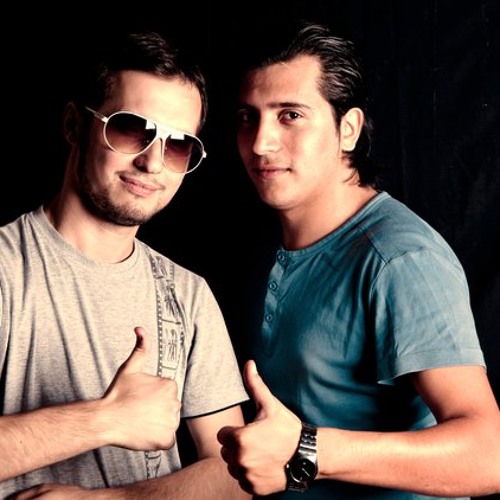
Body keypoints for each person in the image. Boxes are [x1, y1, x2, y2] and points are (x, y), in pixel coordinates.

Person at [217, 20, 500, 499]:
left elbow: (489, 454)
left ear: (347, 130)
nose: (261, 143)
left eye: (290, 115)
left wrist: (307, 449)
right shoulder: (270, 248)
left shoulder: (400, 259)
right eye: (248, 117)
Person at [0, 30, 250, 499]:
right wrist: (105, 419)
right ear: (74, 125)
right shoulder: (7, 267)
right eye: (131, 129)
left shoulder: (188, 294)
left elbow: (233, 477)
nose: (153, 163)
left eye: (179, 146)